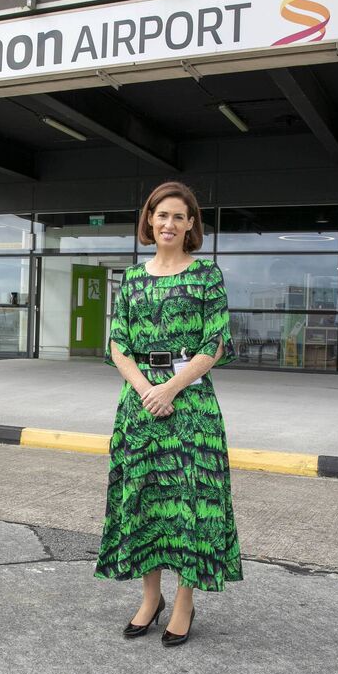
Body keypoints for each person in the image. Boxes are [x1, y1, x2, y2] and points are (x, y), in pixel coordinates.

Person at [95, 181, 242, 646]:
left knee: (192, 504)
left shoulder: (206, 276)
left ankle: (184, 601)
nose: (169, 224)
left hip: (191, 405)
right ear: (149, 220)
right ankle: (149, 597)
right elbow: (118, 342)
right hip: (140, 405)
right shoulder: (133, 279)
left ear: (191, 224)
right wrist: (146, 389)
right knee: (145, 502)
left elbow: (215, 342)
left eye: (179, 216)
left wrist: (171, 388)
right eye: (162, 215)